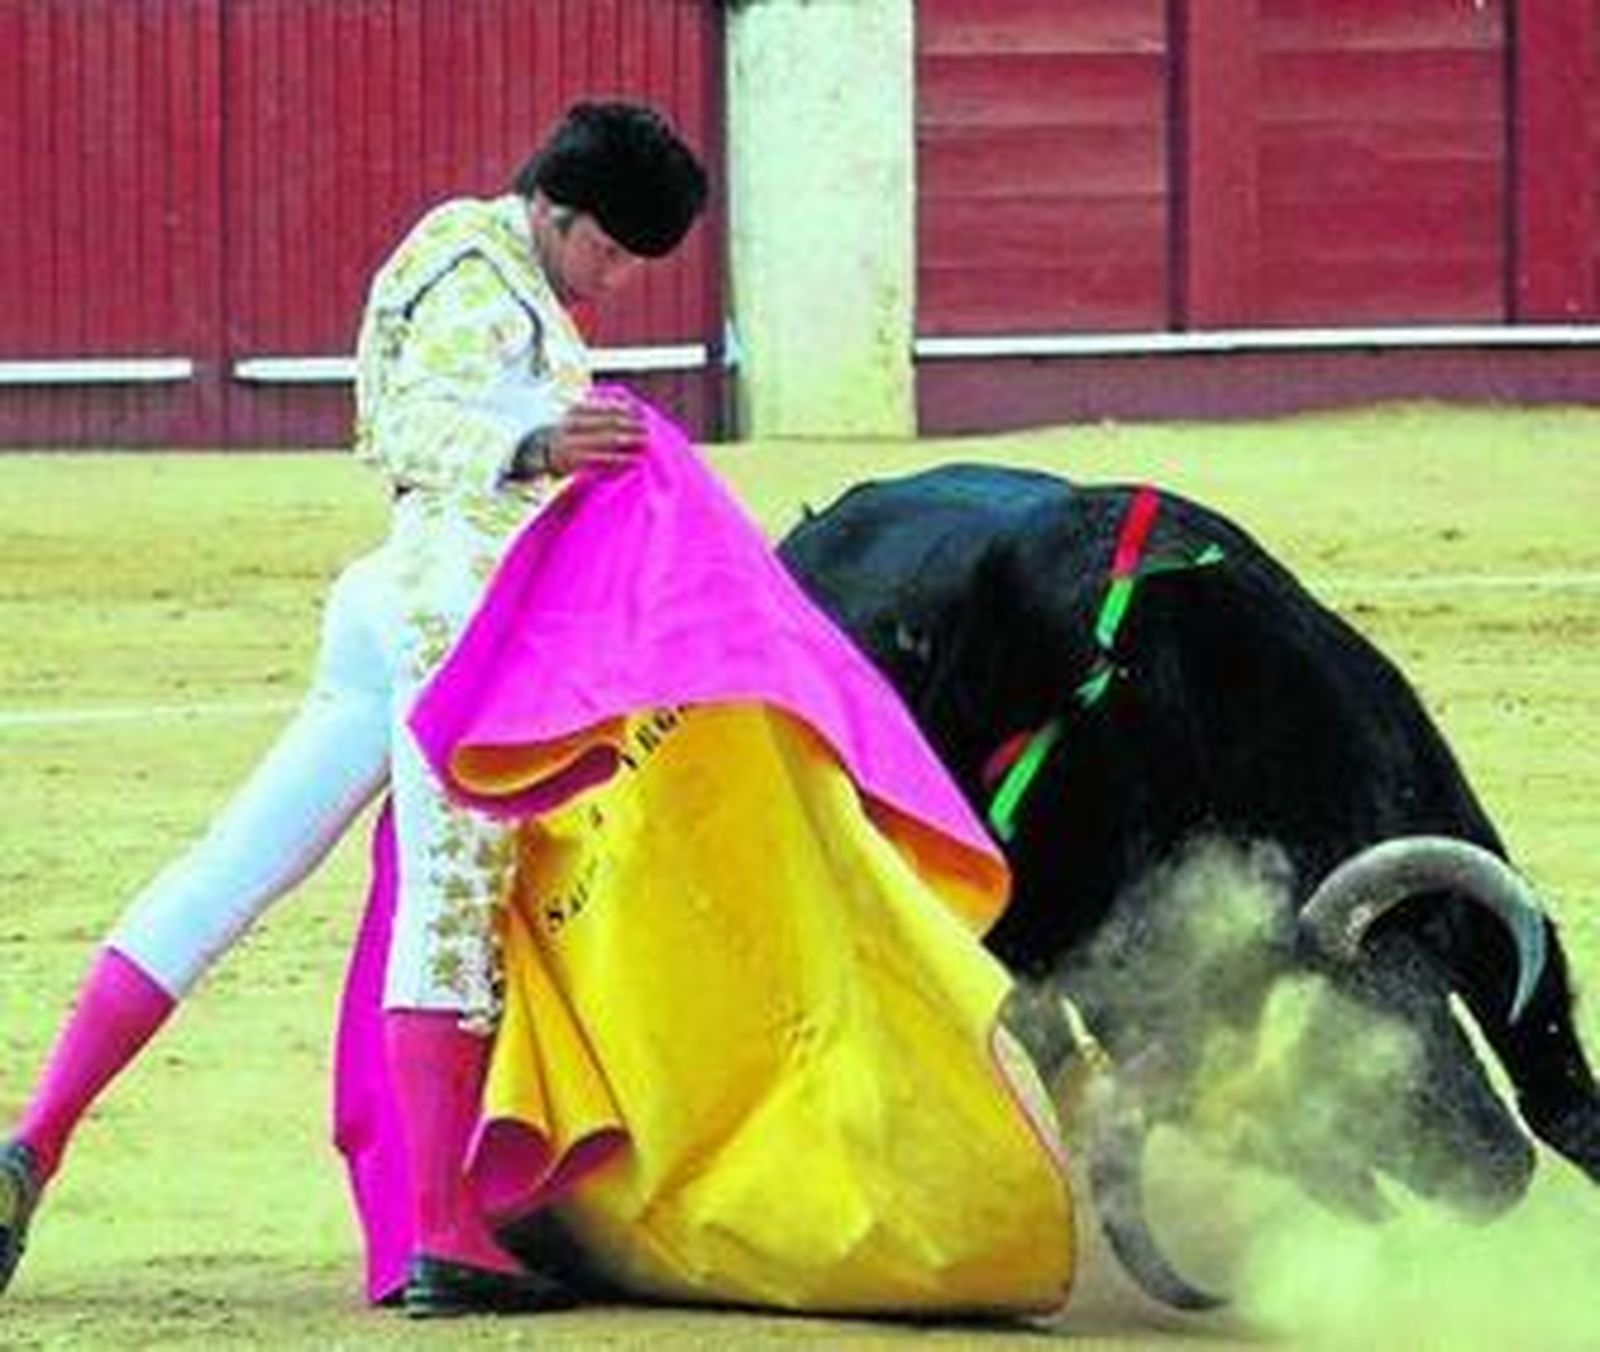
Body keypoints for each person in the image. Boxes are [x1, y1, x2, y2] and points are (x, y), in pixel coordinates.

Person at [0, 101, 708, 1318]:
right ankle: (443, 1233)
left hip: (390, 603)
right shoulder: (485, 278)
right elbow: (410, 423)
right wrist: (539, 442)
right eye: (608, 251)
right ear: (556, 208)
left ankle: (36, 1137)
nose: (617, 279)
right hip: (451, 621)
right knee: (453, 907)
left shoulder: (464, 254)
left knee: (230, 868)